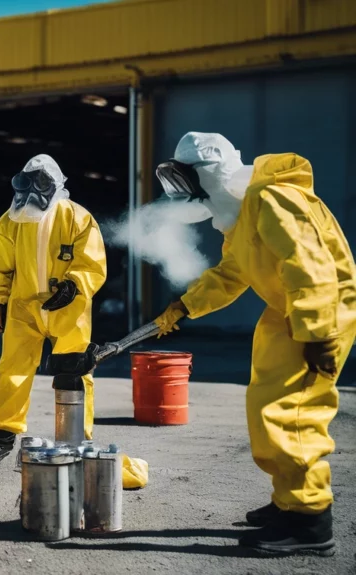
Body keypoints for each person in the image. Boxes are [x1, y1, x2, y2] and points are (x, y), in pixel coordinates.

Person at [153, 132, 353, 556]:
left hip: (316, 313)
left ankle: (310, 524)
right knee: (266, 408)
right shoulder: (243, 216)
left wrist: (317, 333)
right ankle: (289, 503)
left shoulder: (274, 199)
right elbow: (232, 273)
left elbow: (310, 266)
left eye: (188, 182)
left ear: (210, 175)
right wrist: (185, 305)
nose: (187, 196)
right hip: (288, 313)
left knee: (292, 414)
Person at [0, 154, 107, 466]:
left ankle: (77, 438)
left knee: (76, 371)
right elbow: (0, 268)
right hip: (23, 309)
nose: (33, 194)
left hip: (69, 309)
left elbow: (92, 264)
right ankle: (3, 435)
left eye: (42, 186)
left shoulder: (77, 218)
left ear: (56, 188)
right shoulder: (10, 222)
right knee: (13, 371)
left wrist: (73, 285)